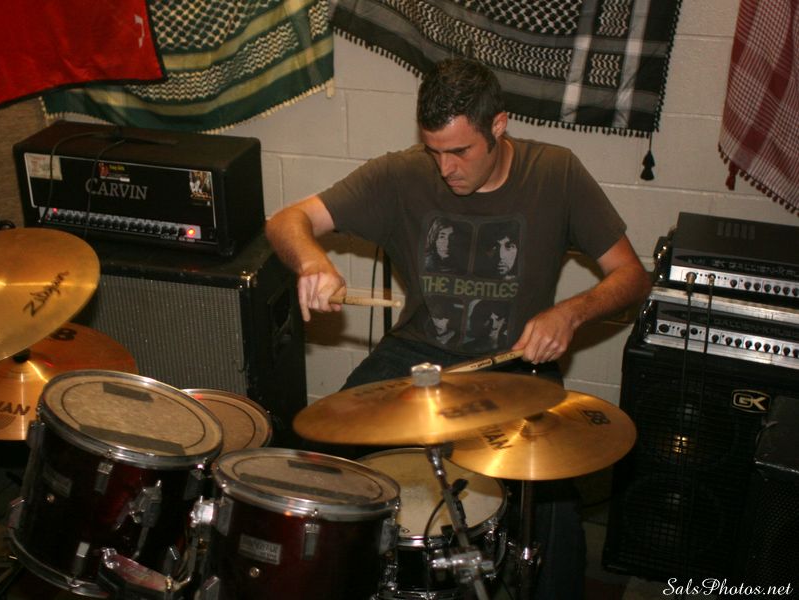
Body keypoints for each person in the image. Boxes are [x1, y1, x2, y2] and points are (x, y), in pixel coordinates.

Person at [266, 57, 651, 600]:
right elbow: (287, 220)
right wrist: (312, 262)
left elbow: (632, 276)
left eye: (460, 152)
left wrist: (570, 312)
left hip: (516, 364)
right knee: (317, 457)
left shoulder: (556, 173)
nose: (445, 168)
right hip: (415, 356)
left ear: (499, 126)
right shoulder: (400, 175)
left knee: (554, 513)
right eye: (434, 151)